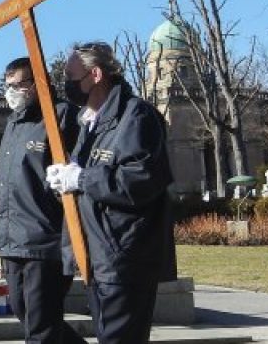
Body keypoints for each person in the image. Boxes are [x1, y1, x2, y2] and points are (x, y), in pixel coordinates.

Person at [47, 42, 174, 344]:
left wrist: (81, 178)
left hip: (125, 254)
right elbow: (88, 183)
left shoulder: (136, 116)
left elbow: (140, 180)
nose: (66, 84)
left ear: (95, 74)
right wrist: (62, 184)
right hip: (99, 254)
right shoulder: (90, 123)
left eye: (71, 76)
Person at [0, 57, 85, 344]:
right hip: (12, 241)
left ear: (40, 84)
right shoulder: (14, 123)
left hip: (45, 240)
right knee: (25, 312)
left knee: (41, 327)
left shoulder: (62, 117)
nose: (13, 91)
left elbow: (79, 170)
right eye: (8, 86)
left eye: (20, 85)